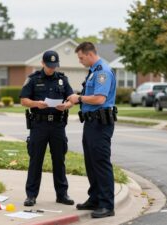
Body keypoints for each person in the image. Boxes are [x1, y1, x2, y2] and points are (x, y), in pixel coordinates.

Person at [67, 42, 117, 218]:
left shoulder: (102, 71)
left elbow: (99, 99)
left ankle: (107, 205)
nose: (80, 61)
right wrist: (72, 102)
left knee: (101, 163)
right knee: (91, 163)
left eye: (81, 57)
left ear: (89, 54)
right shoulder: (93, 72)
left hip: (100, 124)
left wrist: (78, 98)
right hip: (91, 123)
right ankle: (95, 198)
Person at [20, 50, 75, 207]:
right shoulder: (33, 79)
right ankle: (31, 195)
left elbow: (71, 99)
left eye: (54, 66)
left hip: (58, 125)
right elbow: (24, 100)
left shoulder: (63, 80)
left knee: (59, 160)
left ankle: (62, 194)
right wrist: (37, 103)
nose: (52, 68)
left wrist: (66, 106)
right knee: (36, 160)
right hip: (39, 125)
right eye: (49, 65)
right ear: (43, 63)